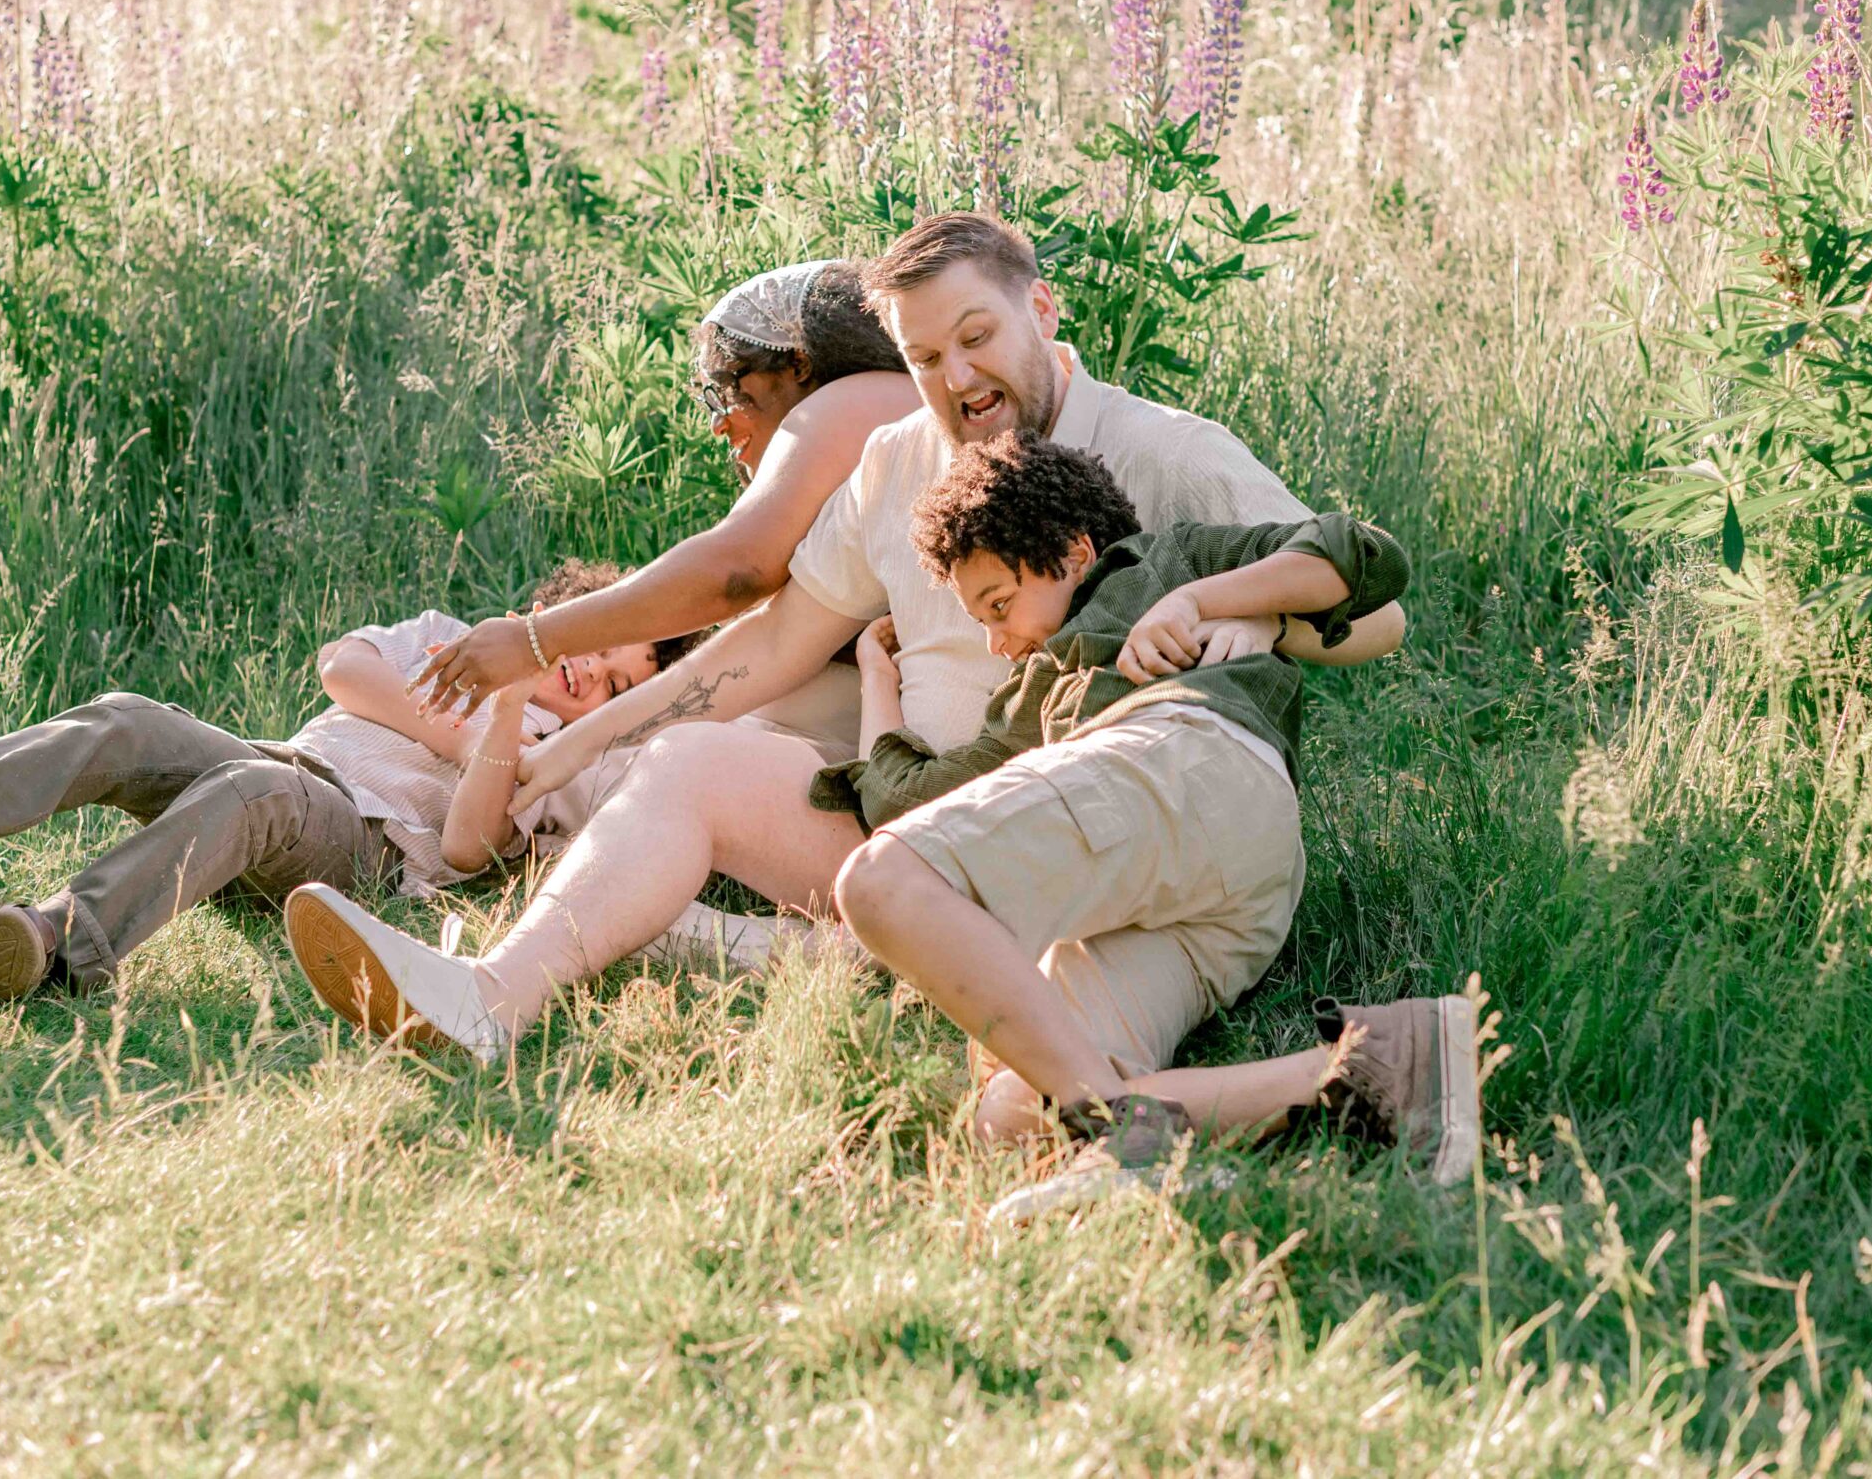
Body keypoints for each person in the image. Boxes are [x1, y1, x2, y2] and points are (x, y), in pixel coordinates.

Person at [285, 212, 1409, 1085]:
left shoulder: (1165, 453)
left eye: (977, 337)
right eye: (925, 357)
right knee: (690, 764)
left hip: (1088, 820)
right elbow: (770, 637)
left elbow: (1375, 612)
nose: (959, 378)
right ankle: (488, 997)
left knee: (1026, 1078)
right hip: (912, 809)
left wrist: (1221, 602)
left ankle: (836, 959)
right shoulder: (899, 462)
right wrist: (588, 742)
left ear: (1042, 312)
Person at [822, 432, 1477, 1219]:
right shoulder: (1027, 699)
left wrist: (1204, 600)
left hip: (1191, 761)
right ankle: (1393, 1064)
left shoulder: (1161, 564)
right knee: (1010, 1113)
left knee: (881, 881)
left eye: (1000, 606)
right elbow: (902, 800)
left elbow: (1362, 556)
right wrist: (875, 681)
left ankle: (1123, 1141)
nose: (998, 641)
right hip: (1230, 891)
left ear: (1071, 552)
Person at [0, 560, 689, 1002]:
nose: (589, 675)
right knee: (127, 718)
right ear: (574, 611)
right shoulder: (463, 633)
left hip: (353, 848)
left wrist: (494, 715)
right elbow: (345, 668)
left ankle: (54, 942)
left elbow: (470, 848)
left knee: (257, 791)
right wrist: (459, 704)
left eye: (615, 684)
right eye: (599, 647)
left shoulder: (569, 754)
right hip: (280, 760)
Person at [414, 259, 919, 761]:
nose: (719, 424)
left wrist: (535, 640)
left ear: (797, 365)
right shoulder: (876, 428)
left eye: (728, 389)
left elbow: (736, 571)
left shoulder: (849, 401)